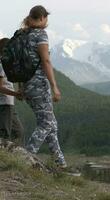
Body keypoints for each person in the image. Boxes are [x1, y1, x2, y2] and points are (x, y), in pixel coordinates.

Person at [20, 5, 67, 169]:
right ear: (42, 18)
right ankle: (25, 158)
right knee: (46, 124)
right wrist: (54, 86)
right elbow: (46, 61)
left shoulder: (22, 35)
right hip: (39, 86)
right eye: (46, 18)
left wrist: (21, 88)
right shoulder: (40, 35)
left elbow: (20, 64)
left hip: (27, 86)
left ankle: (60, 163)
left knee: (51, 124)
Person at [0, 38, 24, 145]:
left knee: (19, 132)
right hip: (4, 103)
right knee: (4, 134)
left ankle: (19, 158)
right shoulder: (1, 65)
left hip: (9, 103)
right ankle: (4, 159)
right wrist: (15, 94)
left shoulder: (5, 63)